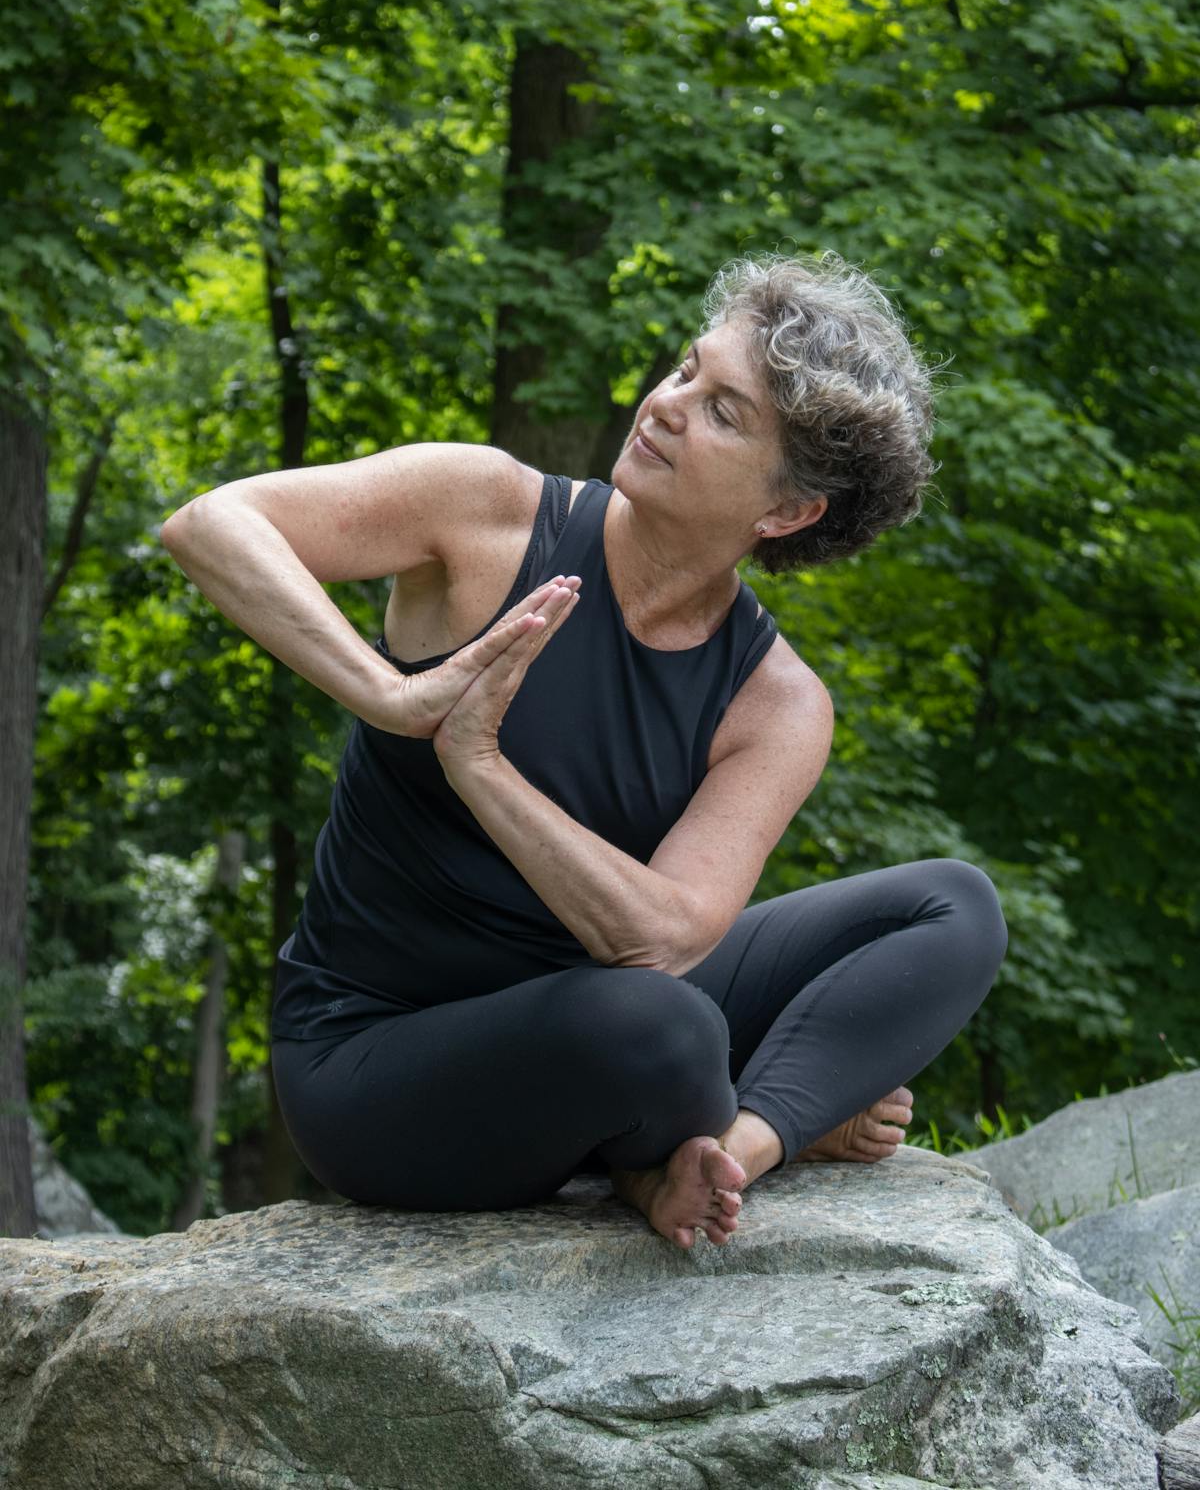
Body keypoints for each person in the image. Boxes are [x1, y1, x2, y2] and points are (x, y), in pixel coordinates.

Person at [161, 250, 1008, 1250]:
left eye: (723, 412)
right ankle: (684, 1142)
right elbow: (213, 525)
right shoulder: (487, 511)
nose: (667, 405)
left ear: (786, 512)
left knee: (954, 906)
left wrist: (481, 766)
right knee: (665, 1031)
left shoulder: (774, 706)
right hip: (372, 1062)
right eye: (689, 370)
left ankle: (737, 1143)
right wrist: (395, 699)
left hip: (599, 1007)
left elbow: (660, 939)